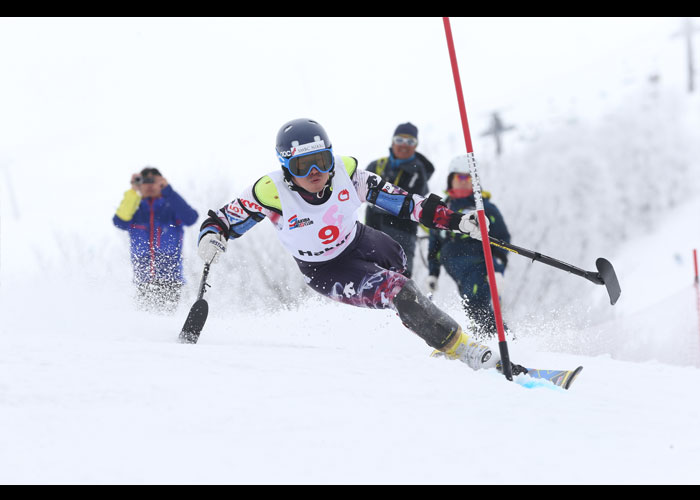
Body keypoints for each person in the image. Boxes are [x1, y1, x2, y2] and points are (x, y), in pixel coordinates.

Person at [196, 118, 526, 375]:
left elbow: (406, 203)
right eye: (302, 166)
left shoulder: (348, 174)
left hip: (363, 240)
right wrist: (211, 237)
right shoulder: (269, 193)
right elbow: (222, 220)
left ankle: (432, 331)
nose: (315, 173)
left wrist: (455, 220)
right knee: (397, 291)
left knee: (401, 271)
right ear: (285, 167)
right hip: (325, 267)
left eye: (322, 161)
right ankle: (467, 351)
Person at [426, 155, 512, 339]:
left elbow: (501, 239)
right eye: (460, 178)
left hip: (479, 267)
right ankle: (486, 342)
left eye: (468, 178)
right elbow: (434, 244)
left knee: (477, 303)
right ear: (451, 179)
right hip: (456, 271)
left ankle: (505, 342)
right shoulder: (443, 211)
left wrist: (497, 268)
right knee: (472, 306)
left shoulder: (485, 209)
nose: (464, 182)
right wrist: (433, 273)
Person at [113, 166, 199, 313]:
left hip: (170, 279)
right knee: (145, 320)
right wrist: (133, 192)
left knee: (165, 317)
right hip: (143, 279)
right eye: (145, 181)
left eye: (153, 181)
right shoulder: (136, 210)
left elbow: (191, 218)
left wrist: (168, 191)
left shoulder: (170, 208)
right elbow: (120, 221)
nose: (150, 185)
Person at [363, 122, 434, 278]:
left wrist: (376, 200)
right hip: (372, 233)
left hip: (402, 237)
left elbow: (407, 203)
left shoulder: (418, 172)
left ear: (416, 145)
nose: (404, 145)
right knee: (369, 279)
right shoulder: (376, 166)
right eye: (400, 140)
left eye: (410, 141)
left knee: (400, 282)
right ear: (393, 141)